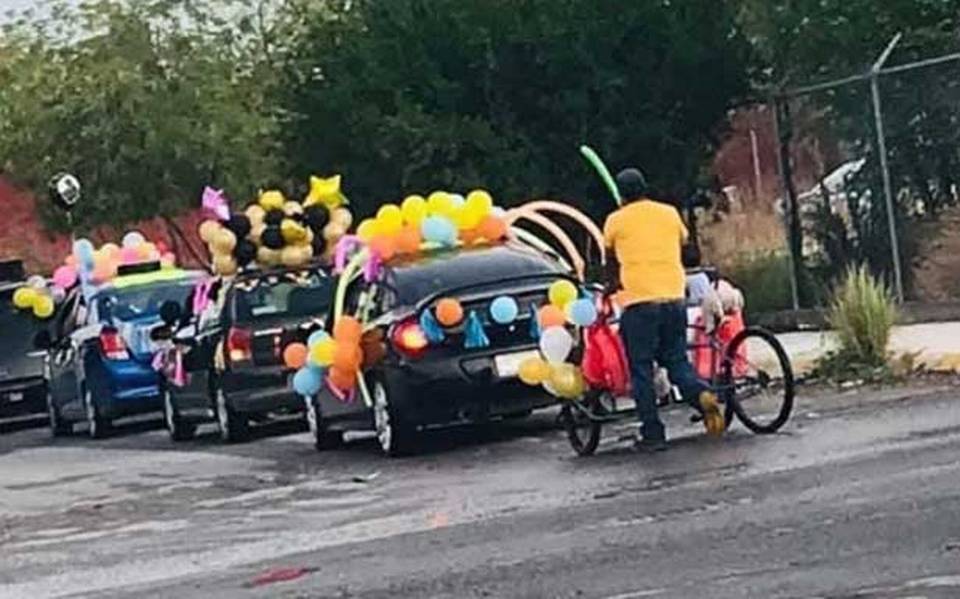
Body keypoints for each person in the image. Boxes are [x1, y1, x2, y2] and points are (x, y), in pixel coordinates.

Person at [603, 168, 725, 451]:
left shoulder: (615, 221)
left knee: (642, 369)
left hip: (638, 303)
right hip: (673, 297)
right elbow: (685, 249)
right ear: (645, 188)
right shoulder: (668, 213)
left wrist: (612, 285)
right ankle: (701, 392)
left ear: (621, 195)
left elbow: (611, 262)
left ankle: (653, 434)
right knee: (677, 361)